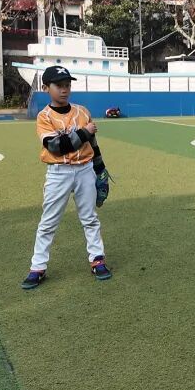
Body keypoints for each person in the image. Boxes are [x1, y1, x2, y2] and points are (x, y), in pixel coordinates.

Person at [22, 66, 112, 290]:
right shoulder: (44, 117)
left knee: (90, 218)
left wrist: (100, 169)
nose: (64, 90)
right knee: (48, 222)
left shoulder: (82, 112)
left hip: (85, 170)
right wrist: (84, 132)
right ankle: (37, 267)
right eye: (59, 85)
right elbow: (57, 147)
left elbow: (93, 144)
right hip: (58, 172)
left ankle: (97, 259)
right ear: (46, 88)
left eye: (67, 85)